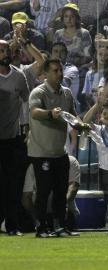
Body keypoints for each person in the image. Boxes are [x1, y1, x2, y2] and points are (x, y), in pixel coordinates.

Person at [27, 58, 86, 238]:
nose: (60, 73)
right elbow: (34, 112)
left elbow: (73, 116)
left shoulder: (66, 93)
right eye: (55, 71)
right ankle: (42, 228)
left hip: (60, 152)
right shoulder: (39, 92)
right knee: (44, 191)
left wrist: (82, 125)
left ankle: (61, 226)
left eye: (60, 70)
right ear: (45, 74)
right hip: (41, 152)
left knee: (61, 191)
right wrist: (50, 114)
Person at [0, 39, 30, 236]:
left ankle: (12, 225)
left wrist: (26, 127)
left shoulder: (19, 76)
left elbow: (27, 100)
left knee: (13, 184)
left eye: (5, 50)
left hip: (12, 138)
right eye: (0, 50)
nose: (3, 53)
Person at [21, 155, 81, 232]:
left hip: (64, 212)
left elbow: (73, 187)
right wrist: (36, 219)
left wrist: (62, 206)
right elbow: (26, 198)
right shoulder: (34, 166)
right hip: (43, 213)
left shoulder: (71, 161)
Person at [83, 97, 108, 228]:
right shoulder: (98, 130)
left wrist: (106, 121)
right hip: (104, 169)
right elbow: (84, 121)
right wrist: (97, 105)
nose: (106, 116)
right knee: (107, 199)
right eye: (104, 113)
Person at [53, 3, 93, 67]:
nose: (69, 19)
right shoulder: (58, 34)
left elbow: (88, 57)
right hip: (60, 68)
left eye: (72, 16)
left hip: (79, 68)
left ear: (77, 18)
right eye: (66, 16)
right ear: (62, 18)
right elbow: (54, 55)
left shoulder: (84, 33)